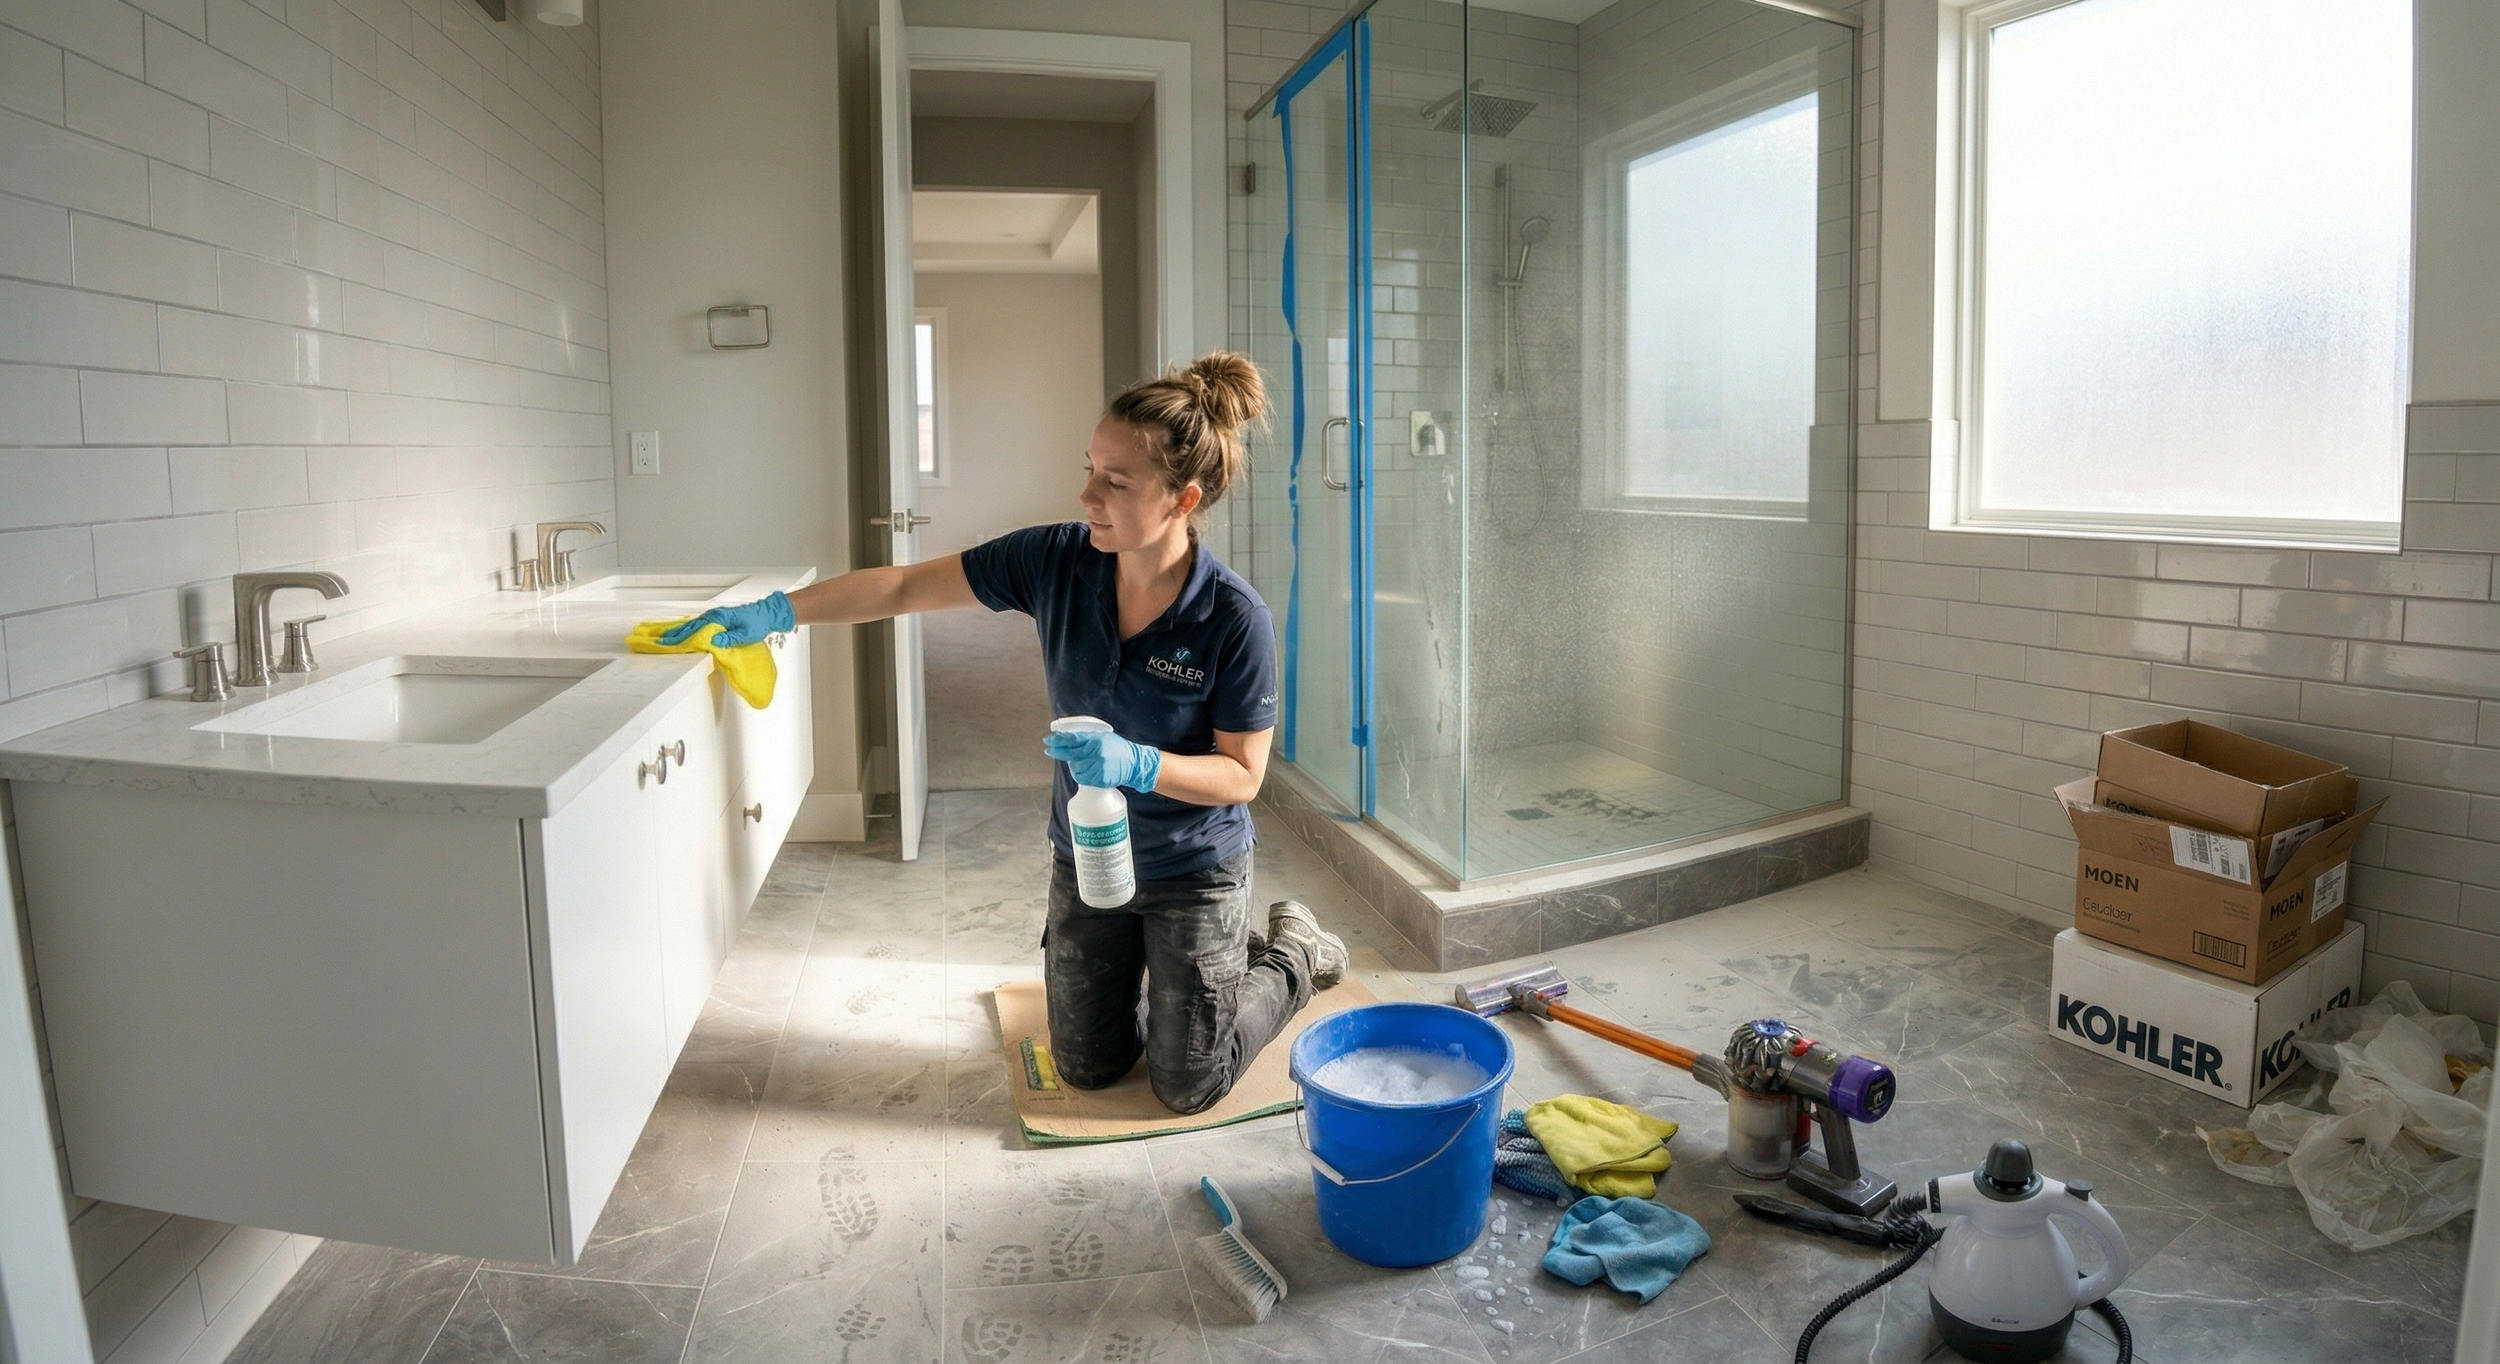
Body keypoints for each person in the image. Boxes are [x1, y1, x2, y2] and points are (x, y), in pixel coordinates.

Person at [663, 352, 1347, 1116]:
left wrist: (1141, 763)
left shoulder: (1232, 616)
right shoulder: (1057, 561)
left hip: (1196, 867)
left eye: (1115, 483)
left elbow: (1243, 776)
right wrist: (778, 612)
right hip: (1088, 854)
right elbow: (902, 584)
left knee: (1187, 1081)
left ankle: (1293, 952)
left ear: (1183, 499)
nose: (1086, 494)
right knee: (1087, 1068)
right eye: (1089, 468)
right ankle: (1187, 983)